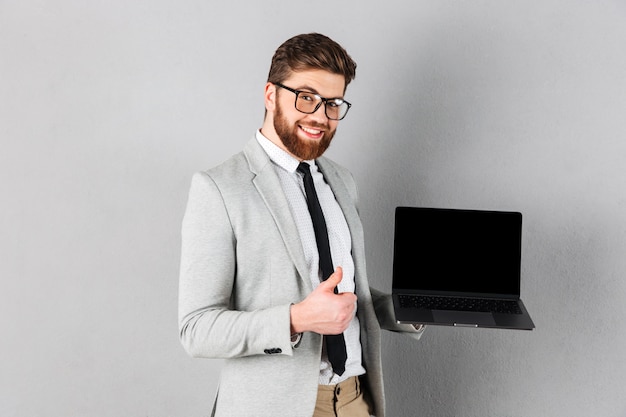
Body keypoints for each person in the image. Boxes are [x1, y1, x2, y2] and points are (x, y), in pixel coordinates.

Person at [178, 33, 425, 417]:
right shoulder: (219, 188)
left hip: (357, 399)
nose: (320, 116)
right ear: (270, 94)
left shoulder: (341, 181)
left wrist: (415, 307)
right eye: (306, 97)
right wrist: (296, 319)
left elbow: (343, 293)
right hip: (276, 407)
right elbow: (197, 329)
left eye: (333, 103)